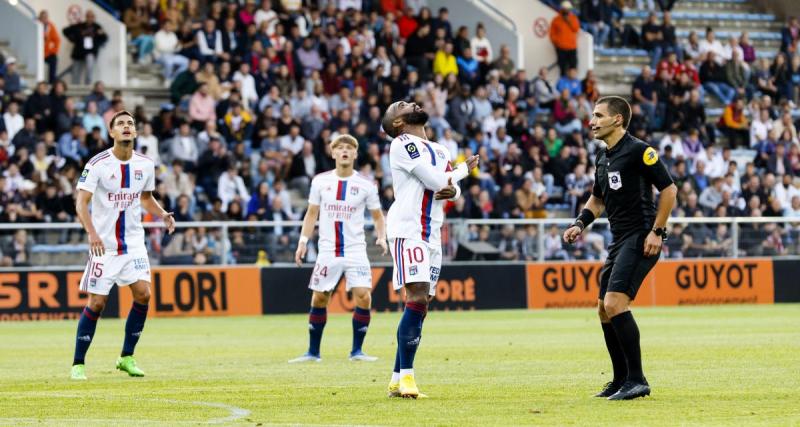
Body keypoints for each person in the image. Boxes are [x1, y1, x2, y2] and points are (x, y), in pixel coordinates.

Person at [563, 96, 677, 400]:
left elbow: (669, 189)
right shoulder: (603, 157)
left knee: (615, 304)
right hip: (619, 240)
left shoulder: (641, 151)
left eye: (599, 116)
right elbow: (597, 200)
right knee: (603, 309)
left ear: (617, 120)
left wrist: (658, 231)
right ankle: (620, 380)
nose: (592, 121)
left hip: (641, 236)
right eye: (592, 116)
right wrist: (579, 223)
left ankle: (637, 380)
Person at [381, 101, 479, 398]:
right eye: (401, 105)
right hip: (408, 230)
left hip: (432, 232)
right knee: (418, 296)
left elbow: (447, 188)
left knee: (423, 305)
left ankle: (397, 377)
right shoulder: (402, 143)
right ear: (397, 122)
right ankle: (408, 379)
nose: (410, 103)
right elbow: (437, 180)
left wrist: (456, 187)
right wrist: (463, 171)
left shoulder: (439, 149)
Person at [70, 110, 176, 381]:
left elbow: (145, 197)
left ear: (136, 132)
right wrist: (91, 232)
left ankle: (126, 357)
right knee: (97, 303)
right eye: (121, 124)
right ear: (112, 132)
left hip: (133, 244)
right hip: (103, 246)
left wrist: (162, 214)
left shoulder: (145, 165)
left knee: (144, 294)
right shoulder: (97, 164)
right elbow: (81, 202)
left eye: (130, 124)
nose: (127, 127)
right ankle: (78, 363)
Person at [290, 135, 387, 363]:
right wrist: (303, 241)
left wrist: (382, 237)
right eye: (340, 148)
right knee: (320, 297)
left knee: (363, 296)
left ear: (355, 154)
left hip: (355, 250)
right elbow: (312, 213)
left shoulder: (366, 184)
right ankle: (313, 352)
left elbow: (377, 216)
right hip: (328, 250)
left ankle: (357, 351)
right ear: (333, 153)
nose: (344, 151)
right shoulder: (320, 182)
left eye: (349, 148)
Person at [62, 10, 108, 85]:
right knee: (76, 72)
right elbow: (65, 31)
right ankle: (75, 88)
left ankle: (88, 86)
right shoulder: (79, 26)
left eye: (92, 17)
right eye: (88, 16)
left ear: (94, 18)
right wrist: (73, 39)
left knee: (89, 70)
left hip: (90, 52)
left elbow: (105, 38)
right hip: (78, 52)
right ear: (85, 17)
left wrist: (97, 43)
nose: (90, 18)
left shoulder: (97, 27)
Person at [549, 1, 580, 76]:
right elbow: (552, 33)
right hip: (561, 48)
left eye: (568, 9)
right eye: (565, 9)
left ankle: (572, 84)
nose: (566, 11)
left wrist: (569, 21)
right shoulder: (556, 19)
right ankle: (563, 85)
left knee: (573, 67)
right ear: (562, 9)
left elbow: (576, 29)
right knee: (562, 68)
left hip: (572, 47)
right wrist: (557, 42)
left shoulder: (573, 18)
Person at [40, 10, 61, 84]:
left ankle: (51, 81)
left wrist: (52, 51)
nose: (44, 19)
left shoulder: (50, 26)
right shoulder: (35, 25)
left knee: (54, 59)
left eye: (46, 17)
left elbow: (57, 40)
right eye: (42, 17)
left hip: (47, 53)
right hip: (37, 52)